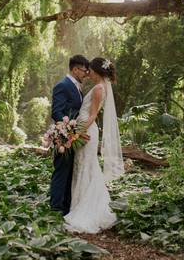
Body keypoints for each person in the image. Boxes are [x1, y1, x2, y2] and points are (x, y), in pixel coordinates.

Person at [63, 56, 124, 234]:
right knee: (84, 167)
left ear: (96, 71)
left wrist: (75, 134)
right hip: (84, 131)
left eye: (89, 69)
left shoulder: (98, 89)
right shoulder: (100, 87)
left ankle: (86, 210)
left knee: (85, 167)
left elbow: (92, 116)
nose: (87, 72)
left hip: (86, 132)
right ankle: (80, 205)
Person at [49, 54, 89, 214]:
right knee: (61, 171)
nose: (86, 74)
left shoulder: (77, 87)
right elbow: (57, 112)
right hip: (64, 137)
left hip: (74, 137)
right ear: (75, 69)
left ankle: (66, 206)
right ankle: (56, 207)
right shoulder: (63, 85)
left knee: (70, 171)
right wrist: (69, 132)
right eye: (84, 71)